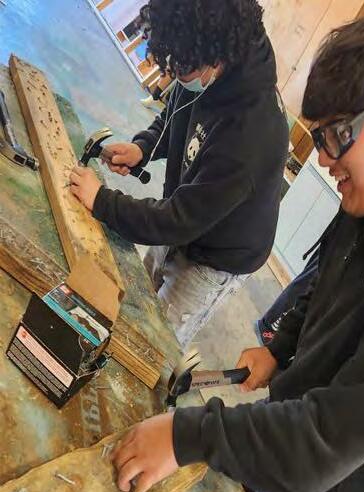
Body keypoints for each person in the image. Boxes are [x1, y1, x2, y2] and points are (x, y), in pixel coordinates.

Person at [110, 10, 364, 492]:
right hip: (287, 431)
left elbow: (322, 444)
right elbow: (323, 282)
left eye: (334, 136)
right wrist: (281, 346)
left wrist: (187, 435)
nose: (322, 159)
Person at [70, 0, 289, 350]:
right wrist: (144, 147)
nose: (174, 76)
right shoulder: (201, 56)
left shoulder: (250, 133)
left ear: (216, 60)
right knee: (137, 295)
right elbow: (177, 112)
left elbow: (178, 220)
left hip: (218, 256)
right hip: (188, 210)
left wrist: (102, 201)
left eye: (182, 70)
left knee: (153, 343)